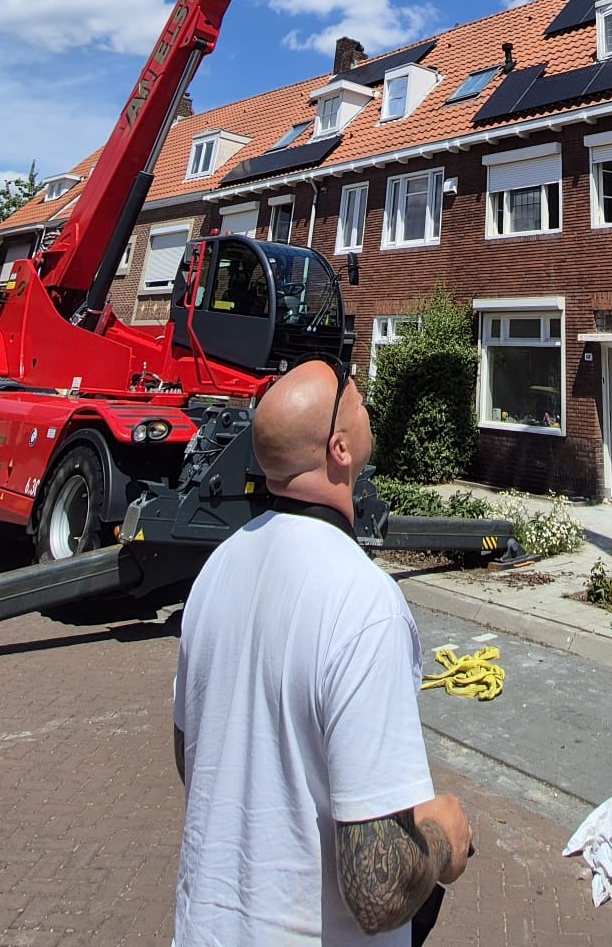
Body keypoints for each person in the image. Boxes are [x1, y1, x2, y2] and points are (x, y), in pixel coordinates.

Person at [171, 357, 473, 945]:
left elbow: (192, 758)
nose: (364, 394)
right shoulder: (362, 602)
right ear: (339, 449)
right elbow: (376, 890)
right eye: (353, 394)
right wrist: (443, 840)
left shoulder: (215, 572)